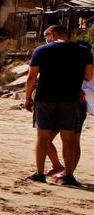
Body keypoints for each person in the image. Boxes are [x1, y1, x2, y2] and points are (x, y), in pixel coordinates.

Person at [25, 25, 94, 186]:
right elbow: (89, 76)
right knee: (69, 138)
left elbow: (31, 77)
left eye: (47, 37)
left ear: (52, 34)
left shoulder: (41, 51)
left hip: (45, 97)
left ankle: (39, 173)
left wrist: (27, 98)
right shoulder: (83, 51)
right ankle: (68, 176)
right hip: (71, 98)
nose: (47, 40)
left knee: (42, 137)